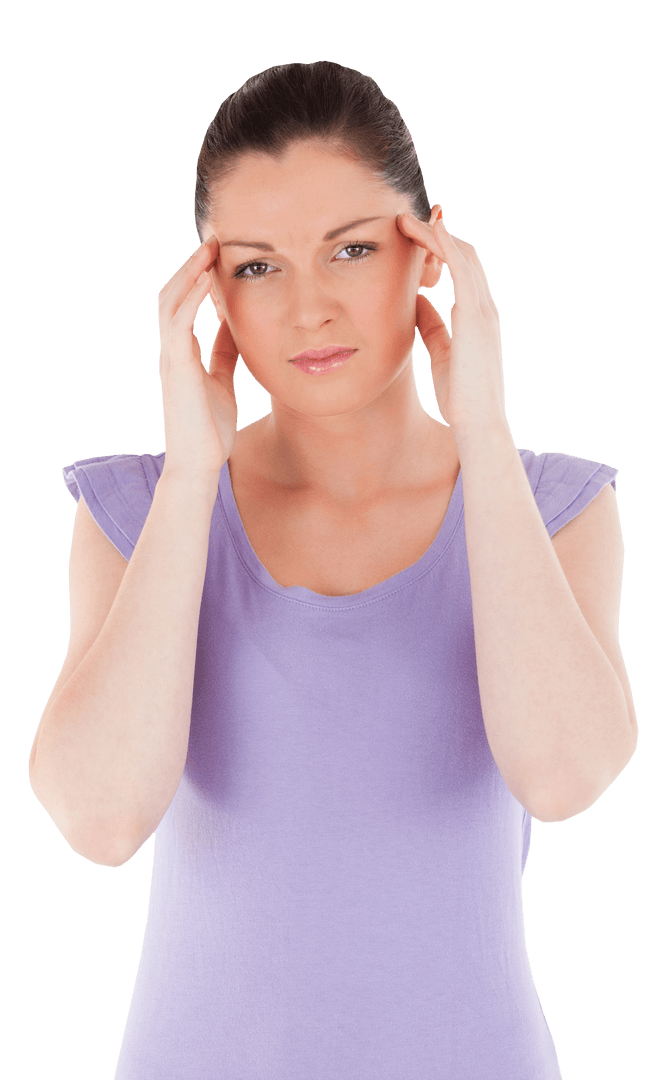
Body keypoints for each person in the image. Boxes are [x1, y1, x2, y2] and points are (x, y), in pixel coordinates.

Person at [27, 61, 638, 1079]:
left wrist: (484, 433)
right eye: (260, 266)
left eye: (350, 249)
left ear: (430, 247)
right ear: (210, 287)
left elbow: (565, 777)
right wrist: (191, 479)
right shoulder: (137, 512)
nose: (308, 309)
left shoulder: (551, 507)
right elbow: (98, 820)